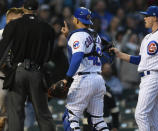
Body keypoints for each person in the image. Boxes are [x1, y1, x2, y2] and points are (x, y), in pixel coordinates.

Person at [110, 5, 158, 131]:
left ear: (154, 18)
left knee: (140, 114)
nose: (144, 18)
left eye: (147, 16)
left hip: (154, 77)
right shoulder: (147, 38)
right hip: (147, 78)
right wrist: (119, 55)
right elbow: (140, 60)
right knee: (154, 121)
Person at [0, 0, 55, 131]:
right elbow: (48, 55)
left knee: (15, 112)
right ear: (37, 9)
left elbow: (3, 50)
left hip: (18, 71)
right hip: (37, 72)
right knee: (43, 113)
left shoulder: (13, 25)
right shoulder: (47, 27)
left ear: (23, 9)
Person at [60, 7, 109, 131]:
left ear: (76, 20)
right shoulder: (96, 35)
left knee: (70, 119)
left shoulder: (77, 36)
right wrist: (68, 36)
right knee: (98, 121)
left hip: (83, 79)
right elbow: (104, 57)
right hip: (98, 79)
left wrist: (67, 78)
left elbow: (77, 57)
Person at [0, 7, 24, 131]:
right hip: (1, 80)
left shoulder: (25, 37)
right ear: (8, 21)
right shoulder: (0, 35)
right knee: (2, 116)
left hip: (18, 80)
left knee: (16, 116)